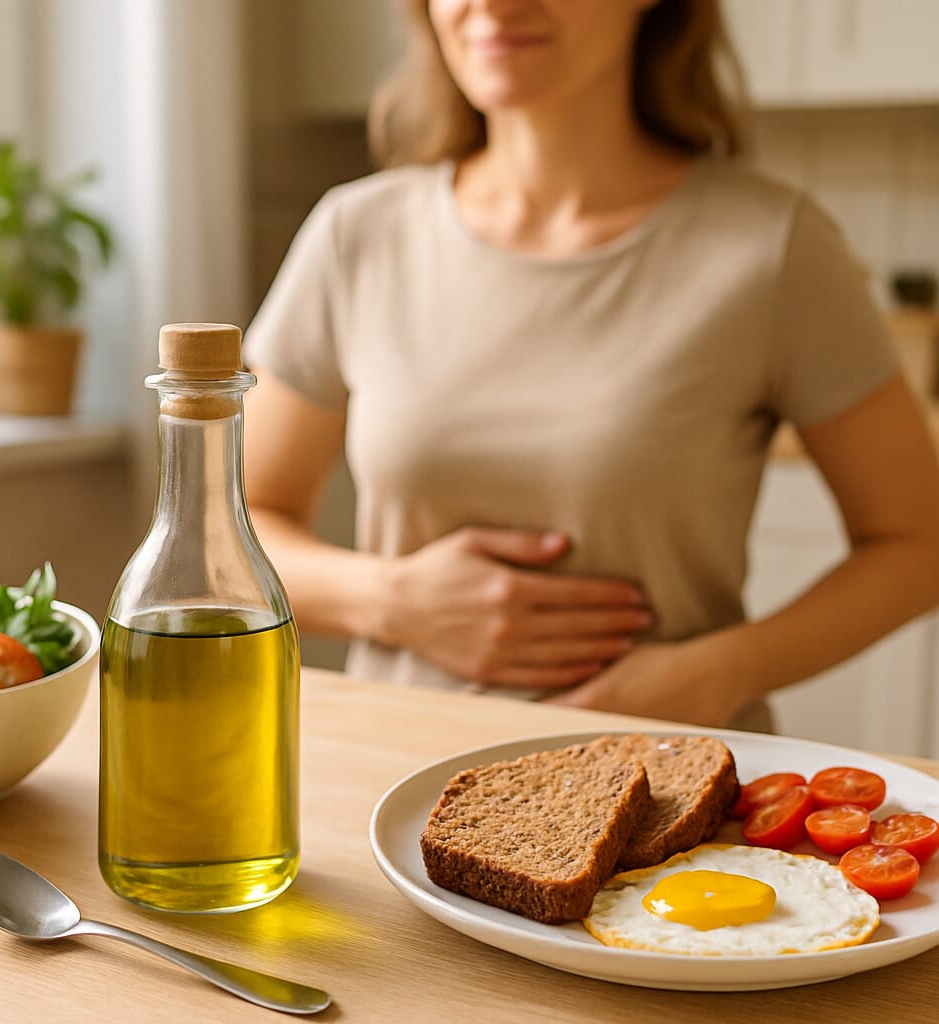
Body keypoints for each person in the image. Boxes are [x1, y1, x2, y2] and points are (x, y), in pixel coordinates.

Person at [241, 0, 939, 730]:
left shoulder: (774, 247)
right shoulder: (356, 236)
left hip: (667, 796)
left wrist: (713, 675)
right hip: (398, 787)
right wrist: (390, 600)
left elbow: (917, 546)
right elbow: (233, 534)